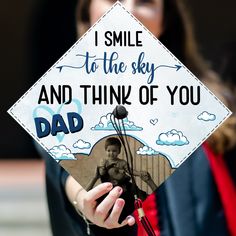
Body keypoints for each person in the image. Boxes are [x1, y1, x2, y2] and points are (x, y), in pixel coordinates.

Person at [34, 0, 236, 235]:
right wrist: (85, 200)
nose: (127, 11)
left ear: (165, 19)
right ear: (87, 13)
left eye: (144, 1)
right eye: (112, 0)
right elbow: (64, 168)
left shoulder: (210, 103)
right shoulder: (63, 104)